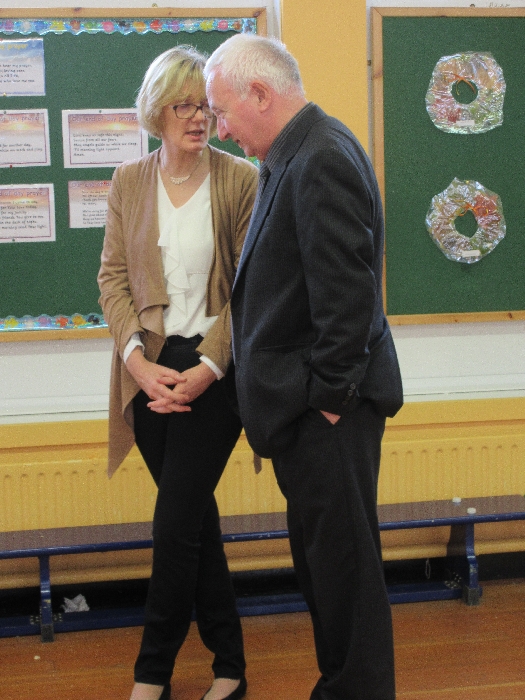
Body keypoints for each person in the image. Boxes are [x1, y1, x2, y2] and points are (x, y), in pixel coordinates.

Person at [204, 34, 404, 700]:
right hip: (309, 413)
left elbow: (347, 299)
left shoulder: (318, 158)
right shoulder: (296, 151)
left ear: (260, 94)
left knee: (345, 578)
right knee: (328, 572)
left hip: (327, 415)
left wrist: (326, 401)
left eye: (222, 111)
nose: (220, 129)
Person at [98, 45, 256, 700]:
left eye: (205, 106)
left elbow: (250, 288)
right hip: (148, 370)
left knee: (173, 525)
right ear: (156, 112)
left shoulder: (241, 179)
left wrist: (210, 366)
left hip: (213, 372)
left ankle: (151, 674)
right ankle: (230, 667)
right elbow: (112, 279)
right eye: (183, 105)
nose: (198, 117)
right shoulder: (128, 180)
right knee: (193, 523)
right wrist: (137, 362)